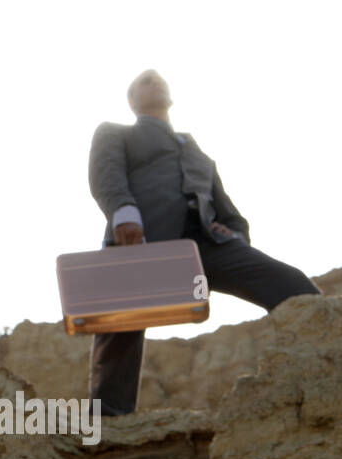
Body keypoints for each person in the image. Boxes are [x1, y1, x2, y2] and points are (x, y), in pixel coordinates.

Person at [85, 69, 320, 416]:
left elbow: (227, 209)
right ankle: (108, 423)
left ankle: (325, 369)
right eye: (143, 82)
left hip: (204, 246)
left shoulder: (197, 154)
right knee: (120, 329)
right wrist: (124, 212)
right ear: (132, 102)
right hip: (141, 242)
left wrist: (235, 236)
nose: (153, 79)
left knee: (294, 287)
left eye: (158, 79)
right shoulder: (116, 133)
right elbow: (106, 174)